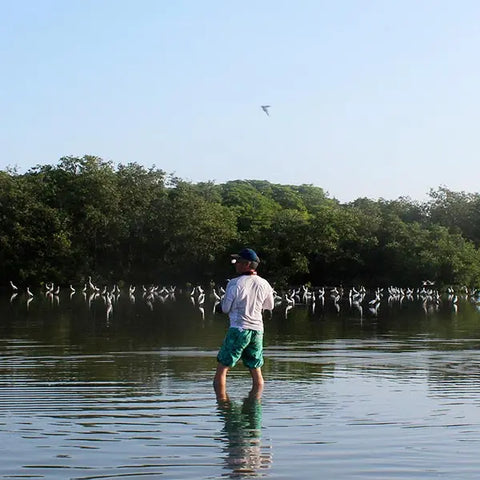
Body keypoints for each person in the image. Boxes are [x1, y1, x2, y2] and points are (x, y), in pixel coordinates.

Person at [214, 248, 274, 400]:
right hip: (257, 331)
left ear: (247, 264)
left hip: (239, 329)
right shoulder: (264, 283)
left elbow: (226, 308)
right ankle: (255, 413)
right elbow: (269, 306)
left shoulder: (235, 283)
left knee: (222, 368)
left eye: (238, 261)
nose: (235, 264)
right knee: (256, 369)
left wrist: (218, 308)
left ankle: (223, 406)